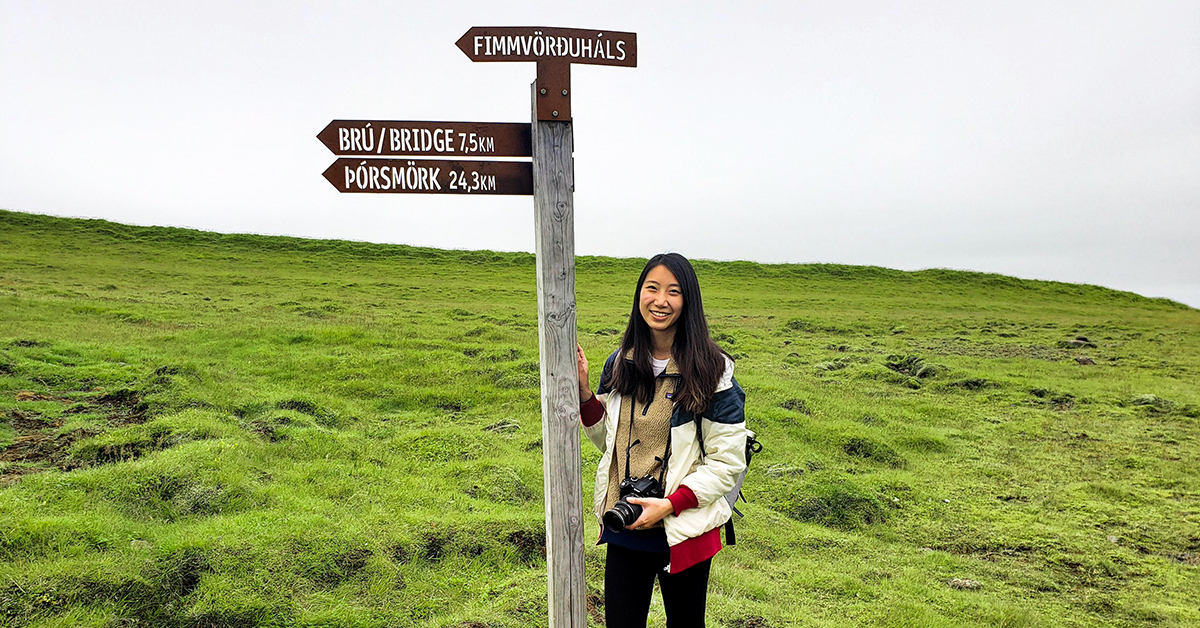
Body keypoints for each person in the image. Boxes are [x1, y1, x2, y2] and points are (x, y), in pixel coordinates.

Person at [576, 252, 748, 627]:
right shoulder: (620, 362)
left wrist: (669, 505)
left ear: (688, 301)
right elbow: (612, 443)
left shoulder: (712, 371)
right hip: (626, 523)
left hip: (683, 528)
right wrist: (587, 395)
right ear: (639, 294)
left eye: (673, 291)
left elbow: (727, 463)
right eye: (651, 288)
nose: (660, 300)